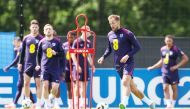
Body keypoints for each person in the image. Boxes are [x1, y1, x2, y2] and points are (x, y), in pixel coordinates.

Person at [97, 14, 155, 109]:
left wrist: (127, 55)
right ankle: (150, 103)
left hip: (128, 62)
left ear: (118, 22)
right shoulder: (110, 35)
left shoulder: (127, 33)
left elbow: (137, 47)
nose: (112, 25)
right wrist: (103, 57)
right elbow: (109, 49)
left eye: (113, 23)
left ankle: (123, 104)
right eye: (110, 23)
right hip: (117, 65)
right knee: (133, 88)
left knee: (124, 82)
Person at [147, 35, 188, 108]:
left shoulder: (176, 49)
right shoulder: (162, 49)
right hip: (164, 71)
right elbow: (162, 61)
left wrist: (176, 66)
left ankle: (173, 105)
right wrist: (153, 67)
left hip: (173, 72)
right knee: (165, 88)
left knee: (174, 89)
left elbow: (185, 59)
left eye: (170, 41)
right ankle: (168, 105)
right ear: (165, 41)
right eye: (167, 40)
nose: (168, 42)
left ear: (172, 41)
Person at [35, 24, 65, 109]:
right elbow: (38, 55)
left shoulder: (57, 42)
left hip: (55, 68)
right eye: (46, 29)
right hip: (45, 68)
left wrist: (56, 53)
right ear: (44, 31)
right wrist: (37, 64)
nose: (48, 30)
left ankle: (51, 98)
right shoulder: (42, 42)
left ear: (52, 31)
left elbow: (62, 54)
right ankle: (47, 104)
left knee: (55, 87)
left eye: (50, 29)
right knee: (45, 85)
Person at [18, 19, 43, 109]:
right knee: (26, 84)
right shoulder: (26, 38)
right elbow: (22, 52)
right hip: (27, 64)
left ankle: (39, 103)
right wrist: (20, 63)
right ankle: (27, 102)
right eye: (33, 27)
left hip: (38, 65)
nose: (34, 28)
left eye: (36, 27)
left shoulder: (41, 39)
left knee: (38, 84)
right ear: (30, 28)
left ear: (38, 28)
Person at [3, 37, 35, 108]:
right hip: (23, 69)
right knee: (22, 86)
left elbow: (17, 60)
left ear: (17, 41)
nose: (13, 44)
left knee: (20, 86)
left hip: (23, 69)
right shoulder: (19, 48)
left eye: (14, 42)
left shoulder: (21, 47)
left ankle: (15, 104)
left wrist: (8, 66)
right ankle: (33, 103)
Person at [71, 25, 95, 108]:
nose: (89, 31)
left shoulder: (88, 42)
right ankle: (75, 103)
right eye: (87, 30)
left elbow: (88, 56)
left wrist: (92, 65)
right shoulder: (77, 41)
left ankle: (82, 103)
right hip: (78, 67)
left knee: (85, 85)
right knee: (77, 85)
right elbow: (72, 54)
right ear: (82, 31)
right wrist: (77, 65)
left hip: (85, 67)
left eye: (89, 30)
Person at [62, 31, 76, 108]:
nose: (69, 39)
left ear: (75, 38)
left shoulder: (77, 45)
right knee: (69, 88)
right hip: (66, 69)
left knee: (77, 87)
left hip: (75, 69)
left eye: (71, 37)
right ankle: (70, 105)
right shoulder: (64, 45)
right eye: (68, 37)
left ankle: (77, 103)